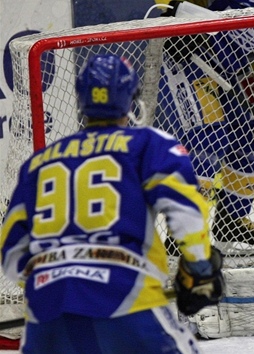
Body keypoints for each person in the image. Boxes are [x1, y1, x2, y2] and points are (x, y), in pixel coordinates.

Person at [0, 54, 224, 353]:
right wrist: (200, 270)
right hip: (126, 297)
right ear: (131, 99)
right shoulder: (149, 143)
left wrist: (52, 282)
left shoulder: (39, 163)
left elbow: (11, 249)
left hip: (47, 314)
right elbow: (185, 212)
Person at [155, 0, 254, 256]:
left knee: (252, 135)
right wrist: (171, 10)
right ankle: (183, 230)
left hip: (237, 65)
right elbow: (169, 6)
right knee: (209, 136)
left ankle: (232, 222)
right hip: (192, 52)